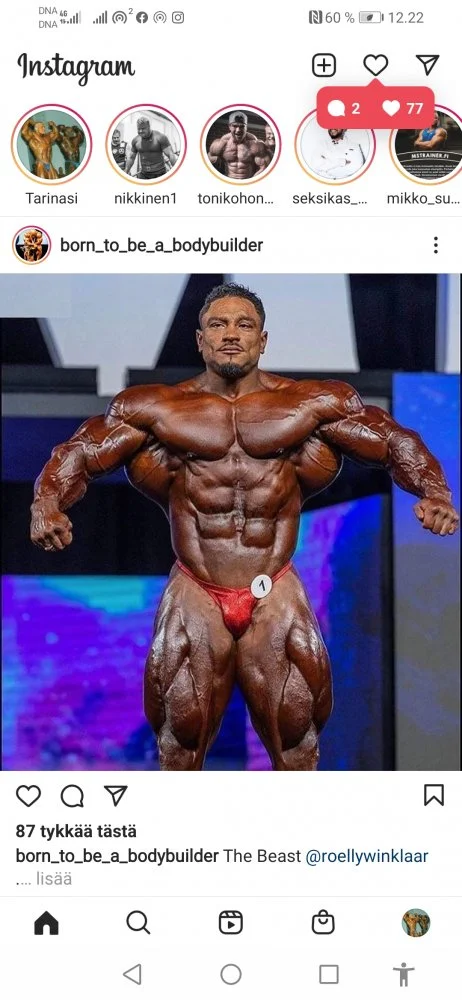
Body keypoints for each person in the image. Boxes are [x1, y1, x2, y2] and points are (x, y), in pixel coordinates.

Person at [30, 284, 459, 771]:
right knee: (180, 738)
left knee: (297, 739)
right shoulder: (155, 409)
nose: (231, 334)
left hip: (273, 585)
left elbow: (390, 439)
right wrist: (48, 502)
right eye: (218, 325)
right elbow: (82, 452)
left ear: (263, 339)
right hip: (197, 585)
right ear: (200, 340)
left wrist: (434, 491)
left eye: (244, 325)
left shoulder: (311, 404)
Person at [208, 112, 271, 180]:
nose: (238, 130)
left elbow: (264, 167)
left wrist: (251, 181)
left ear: (246, 127)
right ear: (229, 127)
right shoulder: (220, 145)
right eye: (235, 126)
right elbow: (208, 164)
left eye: (242, 126)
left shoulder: (255, 145)